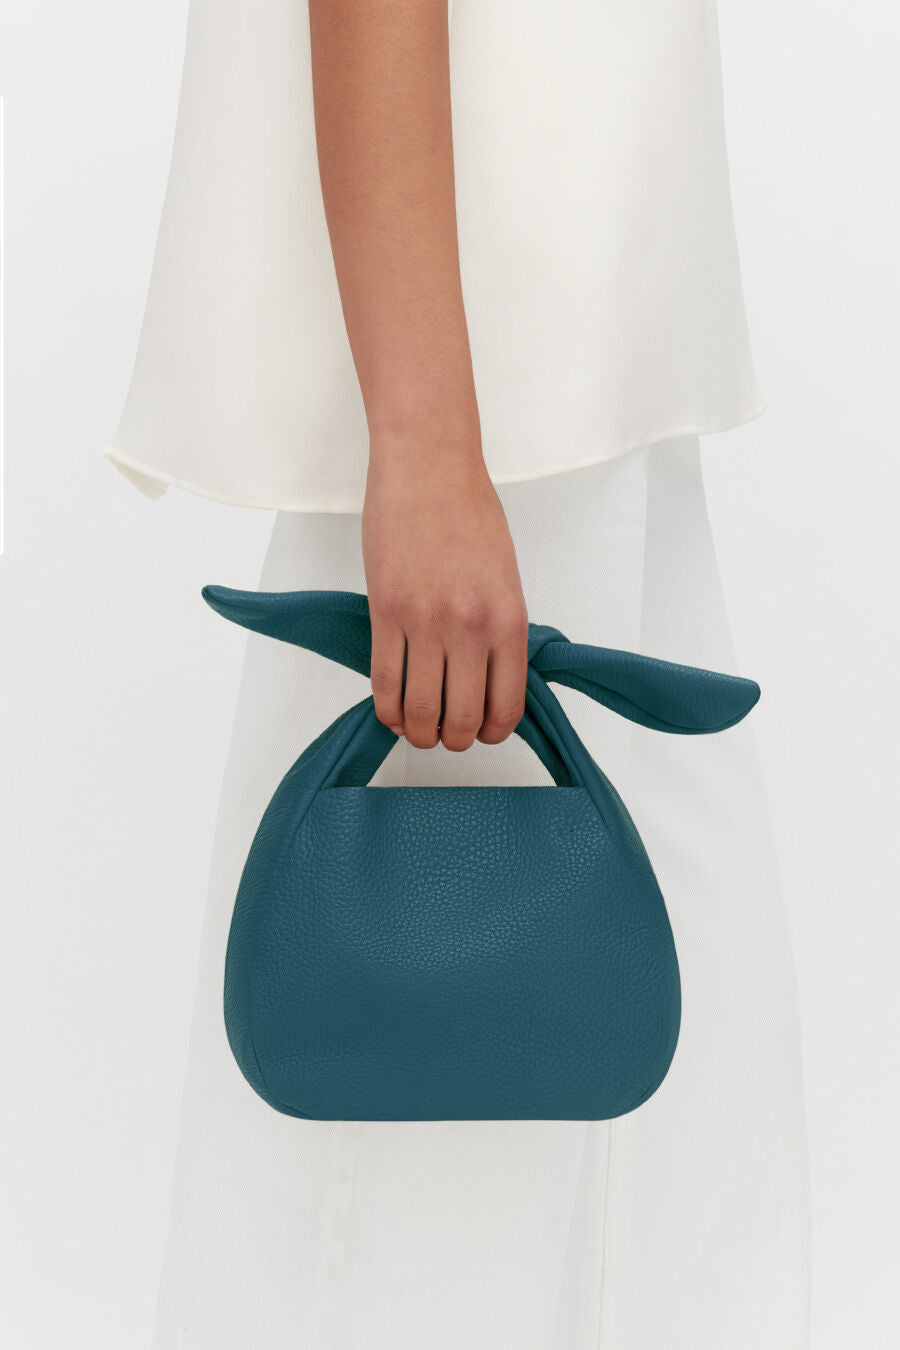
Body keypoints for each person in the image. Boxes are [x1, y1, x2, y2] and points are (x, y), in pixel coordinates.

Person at [107, 2, 810, 1345]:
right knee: (424, 1213)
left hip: (584, 355)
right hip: (490, 375)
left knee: (682, 1195)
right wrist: (426, 447)